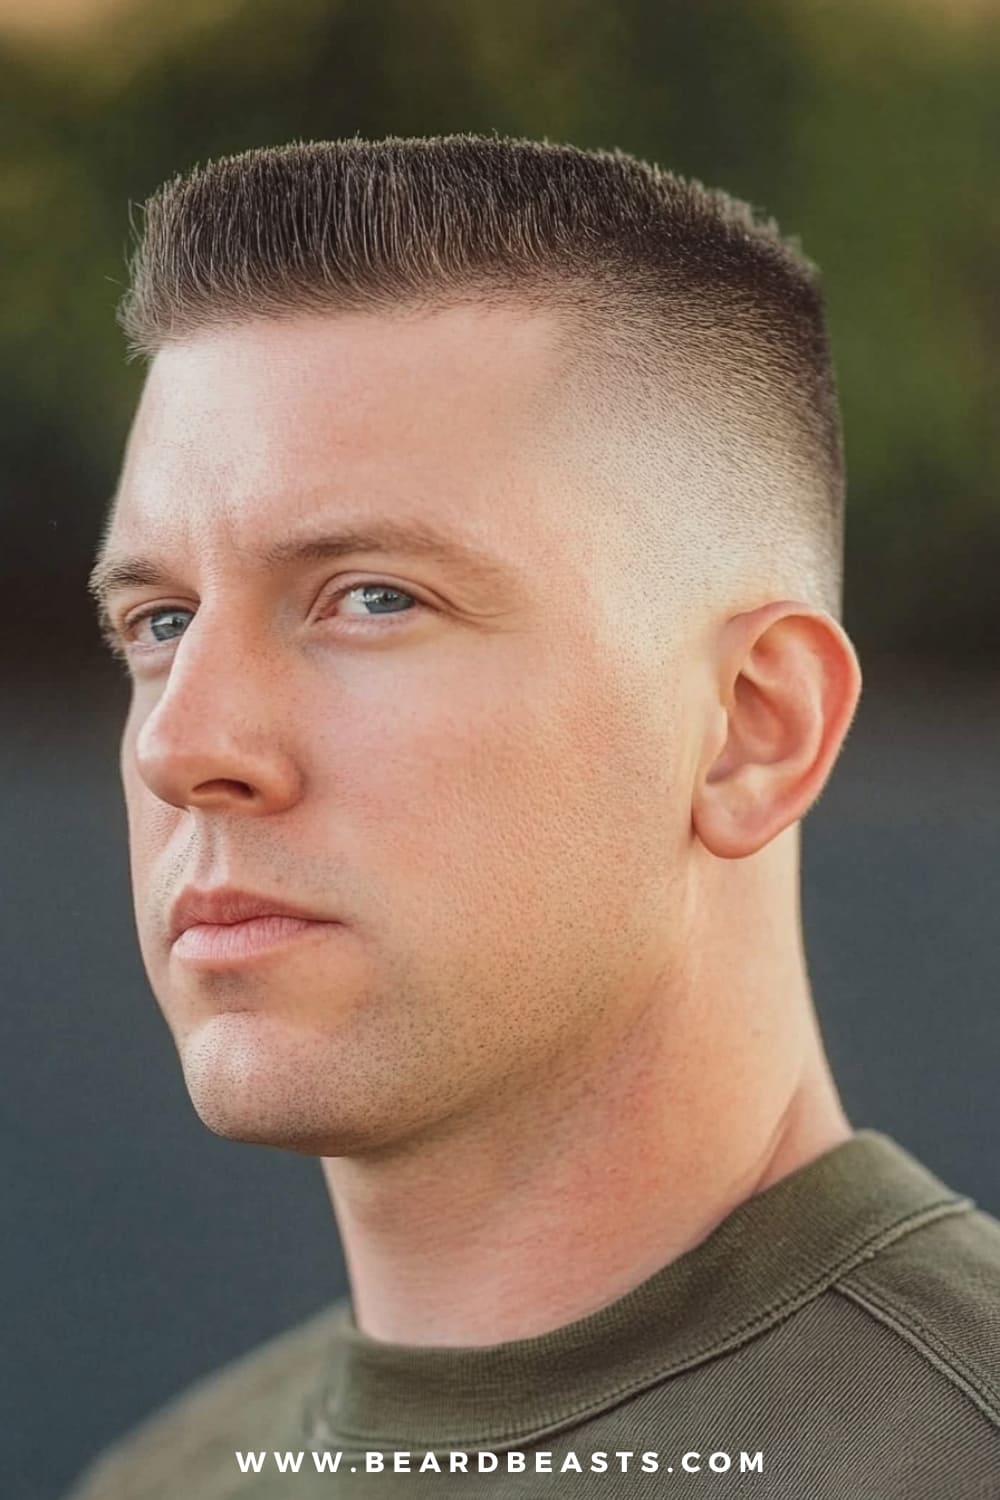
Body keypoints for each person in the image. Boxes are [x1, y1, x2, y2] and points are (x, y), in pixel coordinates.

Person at [65, 135, 999, 1499]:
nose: (183, 744)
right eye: (158, 622)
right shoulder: (163, 1479)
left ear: (753, 726)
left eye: (373, 596)